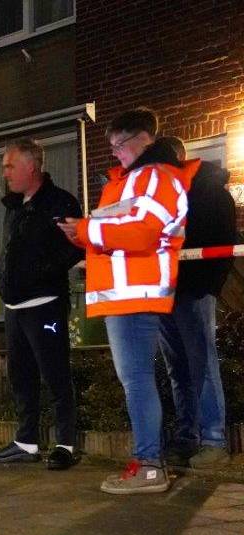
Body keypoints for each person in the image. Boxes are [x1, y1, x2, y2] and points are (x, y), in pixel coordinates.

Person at [58, 108, 194, 495]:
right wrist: (85, 236)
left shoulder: (156, 177)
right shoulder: (141, 179)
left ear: (142, 140)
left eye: (119, 144)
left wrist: (86, 229)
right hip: (127, 295)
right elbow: (124, 231)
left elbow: (143, 232)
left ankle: (150, 466)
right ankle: (147, 461)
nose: (115, 153)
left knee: (136, 381)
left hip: (135, 295)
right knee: (135, 381)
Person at [0, 137, 84, 470]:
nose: (5, 173)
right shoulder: (15, 206)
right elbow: (13, 249)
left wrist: (39, 273)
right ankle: (26, 442)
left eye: (9, 165)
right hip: (15, 309)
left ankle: (66, 445)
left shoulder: (60, 203)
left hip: (45, 305)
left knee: (55, 373)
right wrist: (1, 276)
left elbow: (76, 248)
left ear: (32, 166)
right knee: (21, 375)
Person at [153, 136, 234, 469]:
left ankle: (213, 439)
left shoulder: (209, 193)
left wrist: (207, 287)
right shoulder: (163, 194)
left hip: (192, 292)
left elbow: (225, 241)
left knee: (201, 363)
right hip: (166, 293)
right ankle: (189, 436)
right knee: (178, 368)